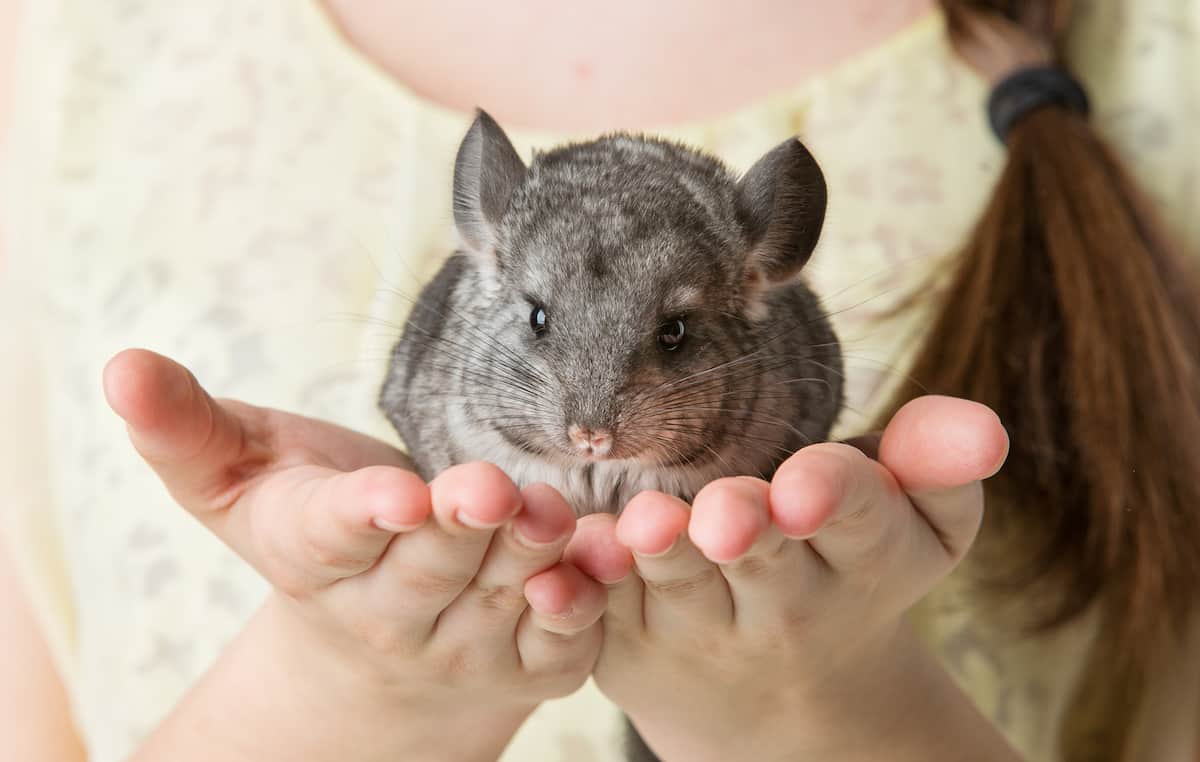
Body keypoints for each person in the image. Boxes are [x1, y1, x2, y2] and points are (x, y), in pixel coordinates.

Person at [0, 1, 1196, 760]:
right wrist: (352, 685)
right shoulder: (78, 36)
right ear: (491, 245)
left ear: (760, 268)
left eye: (671, 340)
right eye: (534, 327)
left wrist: (814, 708)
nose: (590, 418)